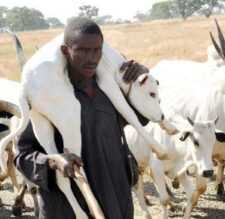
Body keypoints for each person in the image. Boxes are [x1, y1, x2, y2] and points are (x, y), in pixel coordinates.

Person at [14, 17, 149, 219]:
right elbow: (22, 155)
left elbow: (143, 117)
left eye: (97, 50)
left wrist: (141, 83)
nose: (92, 58)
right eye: (83, 50)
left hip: (116, 201)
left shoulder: (111, 89)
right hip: (66, 208)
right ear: (65, 51)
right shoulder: (43, 94)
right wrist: (52, 161)